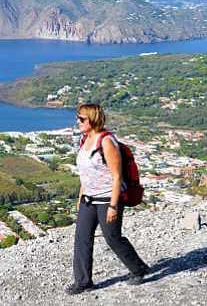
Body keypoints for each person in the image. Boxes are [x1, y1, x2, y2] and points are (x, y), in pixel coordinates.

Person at [66, 103, 148, 295]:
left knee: (112, 238)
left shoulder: (106, 142)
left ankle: (139, 268)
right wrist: (81, 196)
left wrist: (113, 206)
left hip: (108, 199)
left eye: (81, 119)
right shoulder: (83, 139)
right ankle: (83, 281)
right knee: (82, 239)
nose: (77, 122)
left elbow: (117, 176)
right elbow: (85, 173)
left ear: (92, 119)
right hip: (89, 198)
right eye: (77, 117)